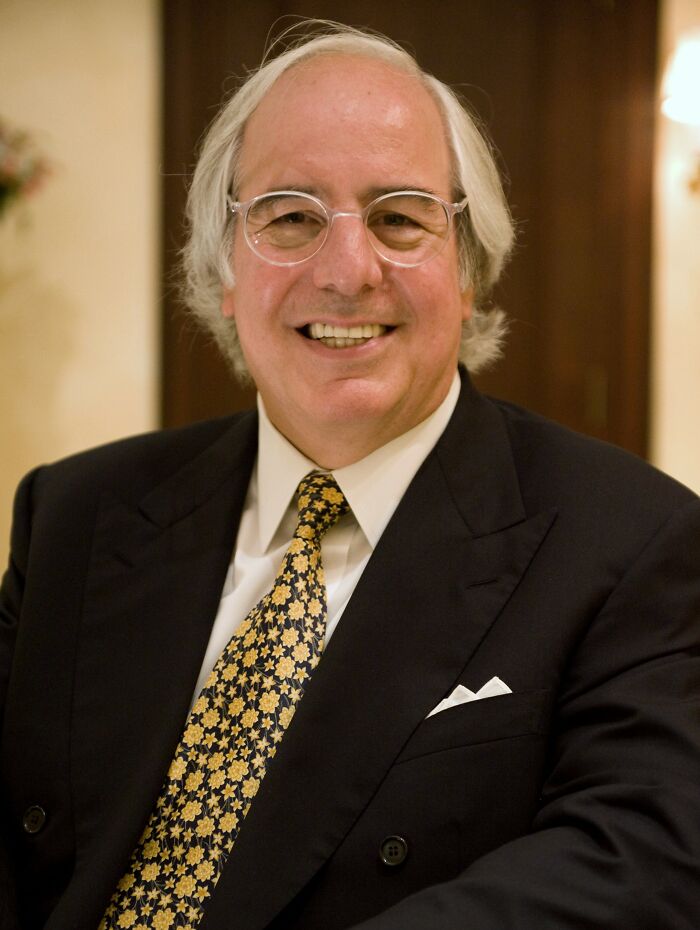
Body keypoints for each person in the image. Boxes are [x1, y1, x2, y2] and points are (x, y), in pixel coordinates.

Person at [1, 21, 700, 930]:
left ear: (469, 271)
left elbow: (641, 859)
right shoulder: (74, 512)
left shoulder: (634, 542)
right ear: (224, 272)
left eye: (399, 218)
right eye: (290, 217)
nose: (346, 270)